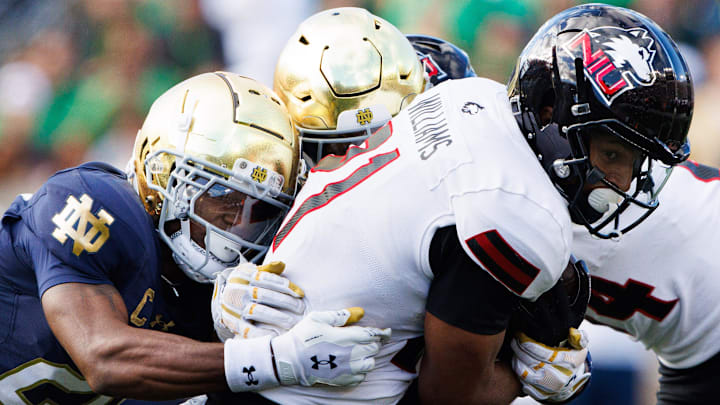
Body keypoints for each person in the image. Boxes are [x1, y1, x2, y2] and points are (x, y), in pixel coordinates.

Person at [0, 71, 391, 404]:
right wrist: (275, 358)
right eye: (221, 195)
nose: (236, 222)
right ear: (162, 174)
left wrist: (236, 327)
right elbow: (103, 356)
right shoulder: (91, 201)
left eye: (258, 210)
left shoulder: (212, 288)